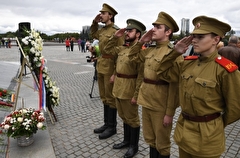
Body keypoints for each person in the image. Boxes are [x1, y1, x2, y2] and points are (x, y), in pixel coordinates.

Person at [155, 15, 240, 158]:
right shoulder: (187, 63)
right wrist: (175, 52)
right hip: (184, 132)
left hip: (207, 139)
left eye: (200, 37)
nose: (194, 40)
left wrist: (215, 124)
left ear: (216, 40)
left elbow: (236, 108)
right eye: (194, 36)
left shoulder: (225, 70)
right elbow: (162, 72)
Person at [128, 12, 180, 158]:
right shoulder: (150, 50)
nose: (153, 30)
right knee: (150, 139)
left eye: (158, 27)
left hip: (161, 106)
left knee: (162, 144)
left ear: (168, 32)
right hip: (147, 102)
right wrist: (141, 42)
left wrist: (169, 113)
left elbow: (175, 87)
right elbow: (132, 57)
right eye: (153, 27)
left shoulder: (173, 54)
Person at [104, 19, 145, 158]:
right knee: (124, 116)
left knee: (132, 119)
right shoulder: (122, 48)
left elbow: (141, 75)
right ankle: (127, 141)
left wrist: (136, 94)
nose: (126, 33)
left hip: (130, 89)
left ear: (138, 34)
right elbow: (107, 50)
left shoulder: (140, 52)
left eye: (130, 31)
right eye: (126, 30)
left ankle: (134, 146)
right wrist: (114, 37)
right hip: (118, 87)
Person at [90, 3, 124, 139]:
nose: (101, 15)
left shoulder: (117, 31)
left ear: (110, 15)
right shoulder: (103, 30)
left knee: (110, 98)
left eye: (103, 13)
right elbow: (93, 34)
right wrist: (94, 22)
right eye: (101, 13)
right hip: (101, 64)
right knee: (104, 96)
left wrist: (116, 73)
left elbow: (120, 52)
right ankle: (106, 124)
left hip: (110, 66)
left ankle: (112, 127)